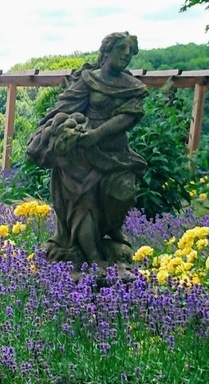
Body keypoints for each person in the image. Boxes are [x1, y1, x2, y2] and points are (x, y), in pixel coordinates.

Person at [27, 31, 147, 273]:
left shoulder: (132, 86)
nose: (126, 54)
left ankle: (111, 230)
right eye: (121, 49)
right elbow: (63, 108)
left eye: (130, 51)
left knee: (124, 192)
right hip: (80, 157)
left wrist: (98, 134)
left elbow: (129, 116)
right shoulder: (88, 79)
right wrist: (56, 133)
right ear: (106, 51)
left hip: (115, 154)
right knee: (83, 205)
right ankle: (93, 258)